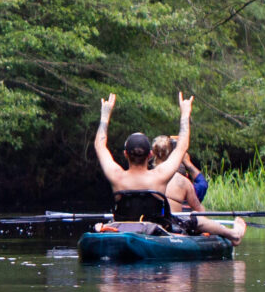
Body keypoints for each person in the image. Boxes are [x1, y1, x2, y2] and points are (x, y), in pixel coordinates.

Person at [89, 93, 244, 241]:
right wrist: (185, 113)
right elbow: (182, 145)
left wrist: (105, 114)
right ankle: (234, 235)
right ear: (150, 155)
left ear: (125, 154)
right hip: (157, 230)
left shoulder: (116, 176)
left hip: (122, 228)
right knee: (197, 220)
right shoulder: (160, 176)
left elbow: (100, 145)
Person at [150, 132, 245, 244]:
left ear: (152, 154)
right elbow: (200, 211)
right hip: (172, 226)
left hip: (151, 225)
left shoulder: (146, 177)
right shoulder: (182, 181)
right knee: (199, 219)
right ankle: (234, 234)